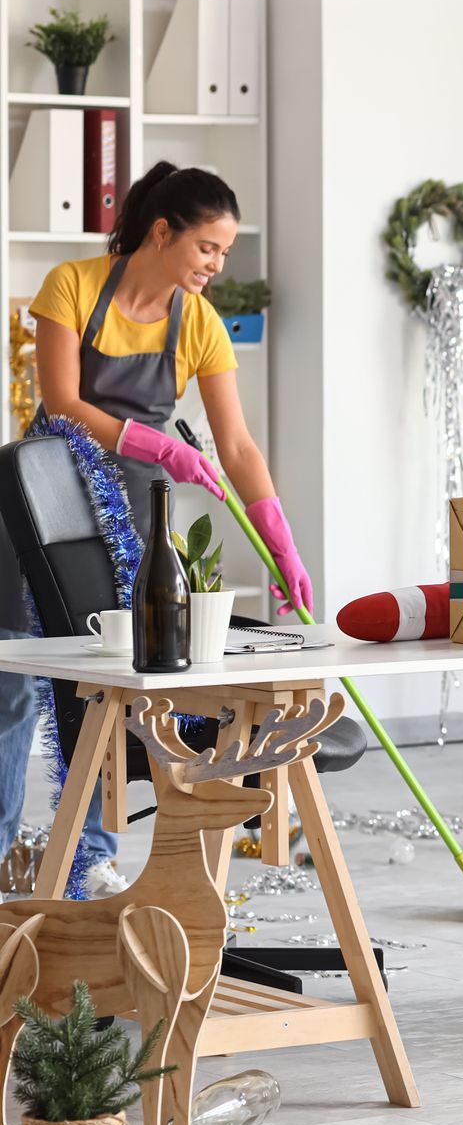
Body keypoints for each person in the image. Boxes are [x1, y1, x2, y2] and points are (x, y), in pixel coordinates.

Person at [0, 162, 313, 897]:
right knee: (11, 681)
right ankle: (0, 849)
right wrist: (157, 443)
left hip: (129, 515)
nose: (215, 265)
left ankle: (89, 857)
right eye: (208, 247)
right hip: (41, 502)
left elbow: (235, 445)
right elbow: (63, 401)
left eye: (225, 253)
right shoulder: (73, 286)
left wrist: (279, 540)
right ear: (162, 230)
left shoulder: (197, 321)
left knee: (109, 689)